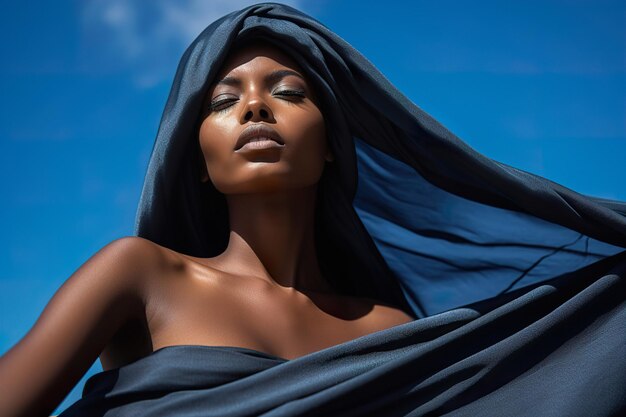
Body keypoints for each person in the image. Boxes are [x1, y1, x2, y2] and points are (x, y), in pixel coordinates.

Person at [1, 3, 625, 416]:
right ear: (197, 158)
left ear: (331, 146)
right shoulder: (139, 276)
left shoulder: (386, 328)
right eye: (222, 101)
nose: (254, 108)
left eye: (288, 92)